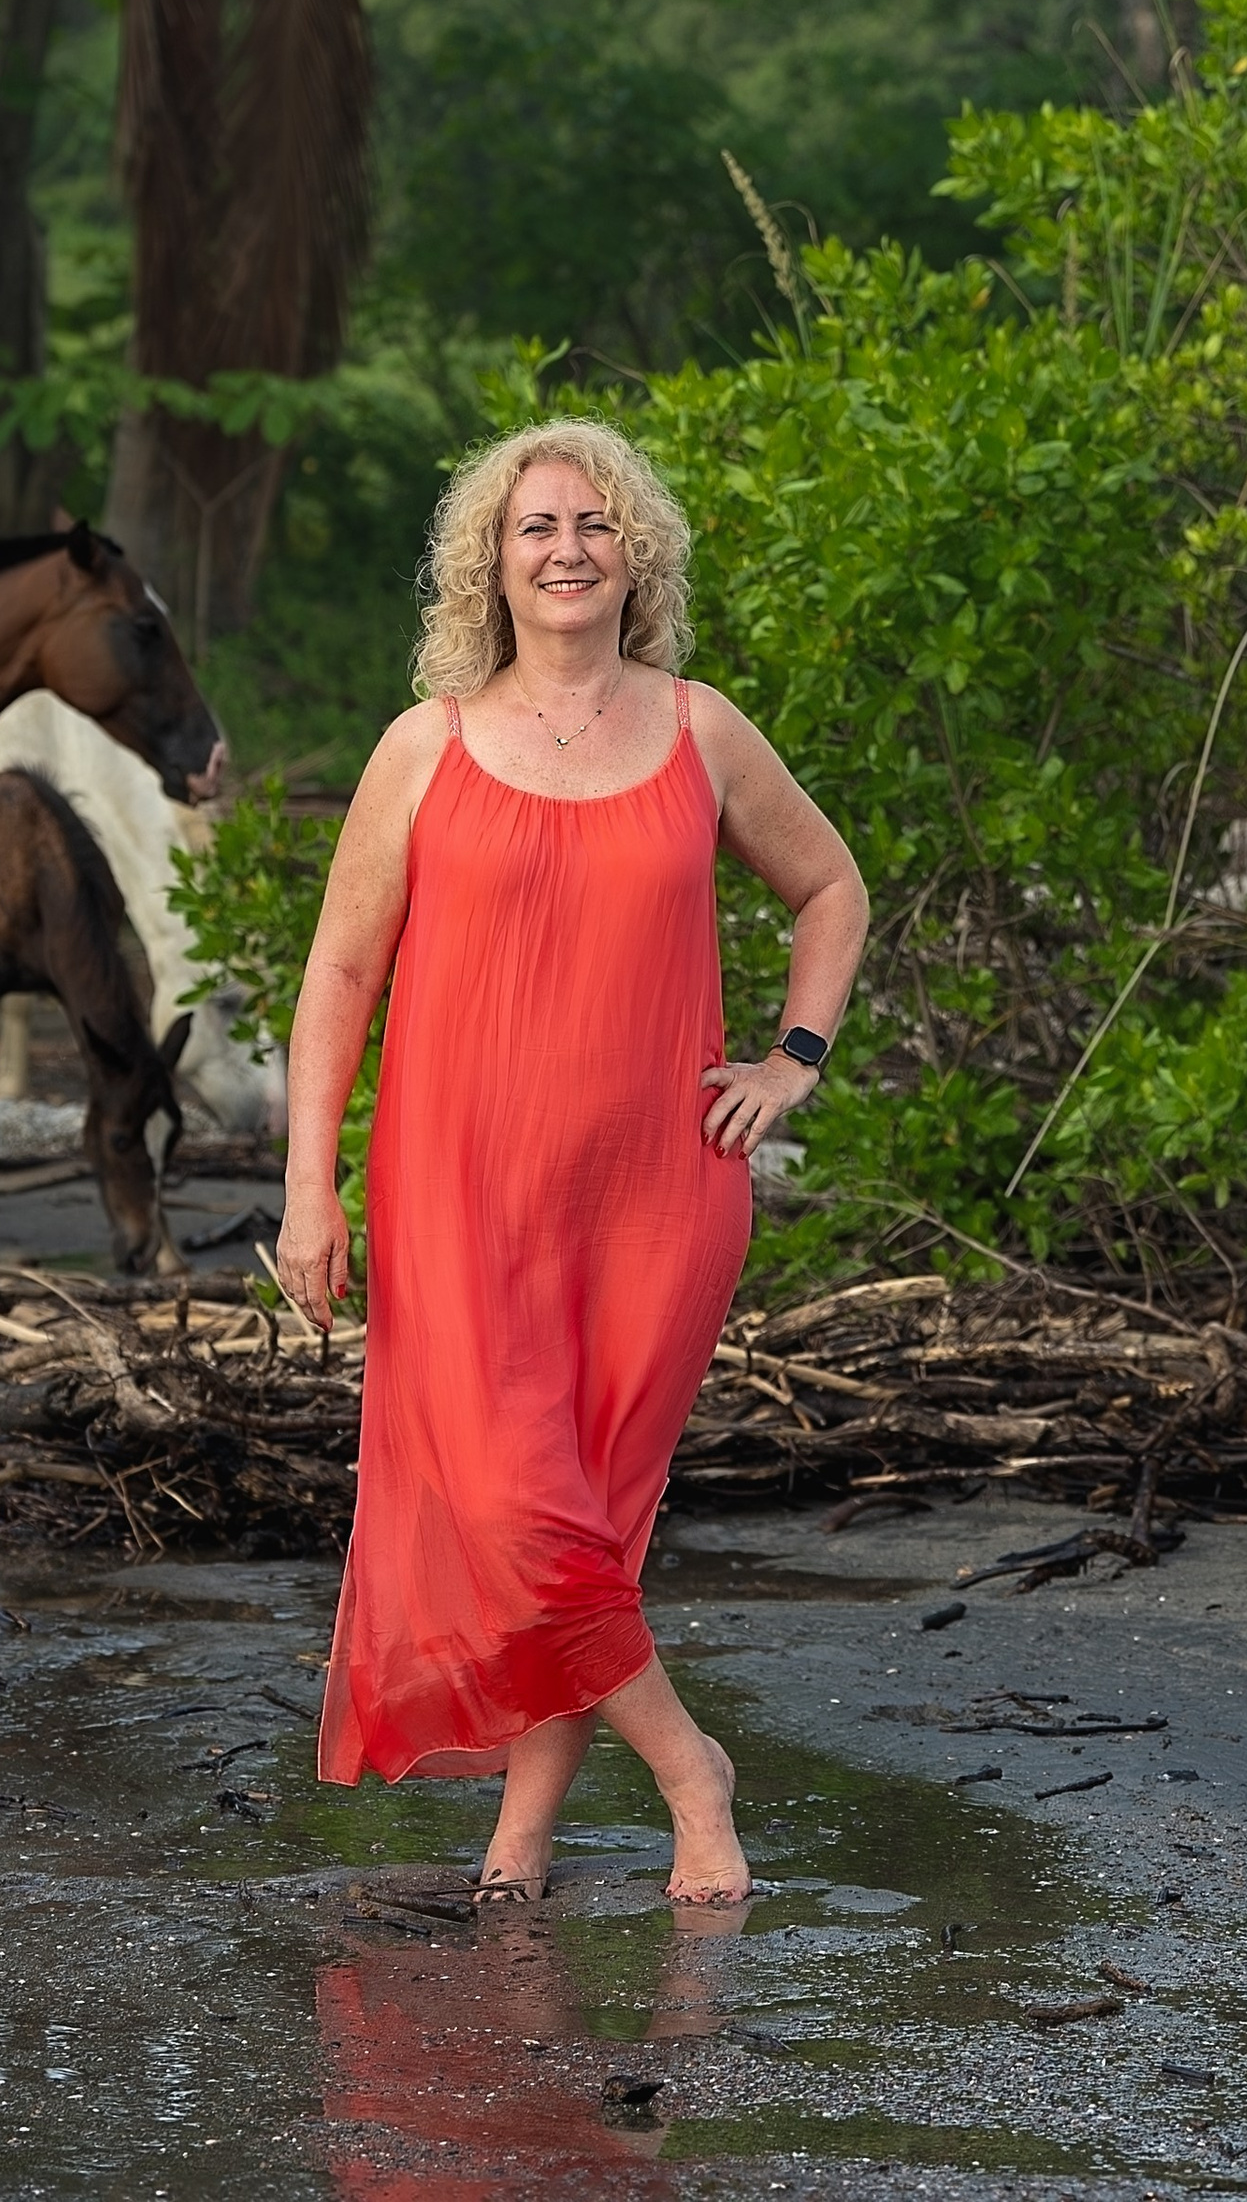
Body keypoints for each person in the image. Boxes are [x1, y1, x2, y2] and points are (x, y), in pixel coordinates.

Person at [276, 417, 869, 1909]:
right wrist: (309, 1187)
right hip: (455, 1200)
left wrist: (790, 1060)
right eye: (537, 527)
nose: (567, 549)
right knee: (510, 1508)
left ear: (635, 557)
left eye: (594, 525)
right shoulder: (423, 748)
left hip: (658, 1197)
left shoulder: (699, 729)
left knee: (589, 1520)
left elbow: (832, 889)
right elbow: (340, 977)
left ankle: (519, 1844)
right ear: (493, 560)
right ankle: (690, 1773)